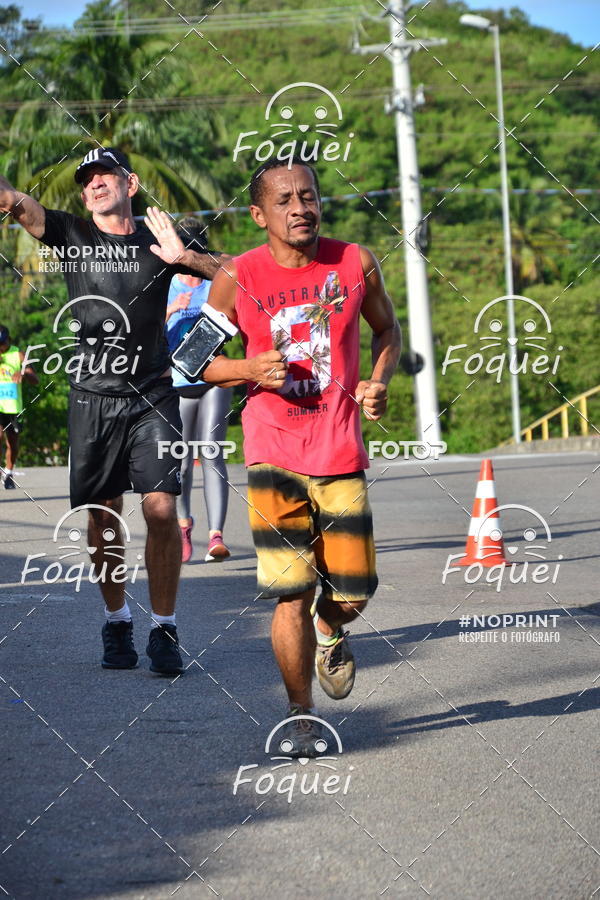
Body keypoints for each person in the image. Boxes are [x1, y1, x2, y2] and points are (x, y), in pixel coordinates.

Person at [0, 147, 229, 675]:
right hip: (93, 400)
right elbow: (15, 201)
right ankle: (118, 619)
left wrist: (185, 258)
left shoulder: (160, 241)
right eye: (87, 179)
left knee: (161, 509)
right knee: (103, 518)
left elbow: (239, 276)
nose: (95, 183)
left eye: (105, 174)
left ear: (132, 183)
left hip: (154, 395)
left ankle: (165, 629)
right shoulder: (72, 235)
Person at [201, 157, 401, 755]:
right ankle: (300, 714)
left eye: (308, 196)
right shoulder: (238, 276)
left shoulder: (355, 262)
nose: (300, 208)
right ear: (259, 214)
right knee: (289, 589)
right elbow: (192, 362)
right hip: (272, 450)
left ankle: (330, 626)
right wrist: (245, 369)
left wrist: (379, 381)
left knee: (354, 590)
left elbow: (387, 332)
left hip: (339, 449)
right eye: (284, 200)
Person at [165, 217, 233, 563]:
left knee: (211, 452)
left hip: (214, 378)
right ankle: (184, 526)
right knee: (181, 462)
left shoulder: (216, 281)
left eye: (195, 251)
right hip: (178, 382)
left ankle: (216, 536)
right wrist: (171, 311)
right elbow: (145, 334)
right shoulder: (166, 286)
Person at [0, 324, 39, 489]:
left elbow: (35, 380)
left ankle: (8, 473)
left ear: (8, 340)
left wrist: (23, 373)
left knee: (13, 444)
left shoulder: (19, 355)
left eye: (1, 344)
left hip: (13, 408)